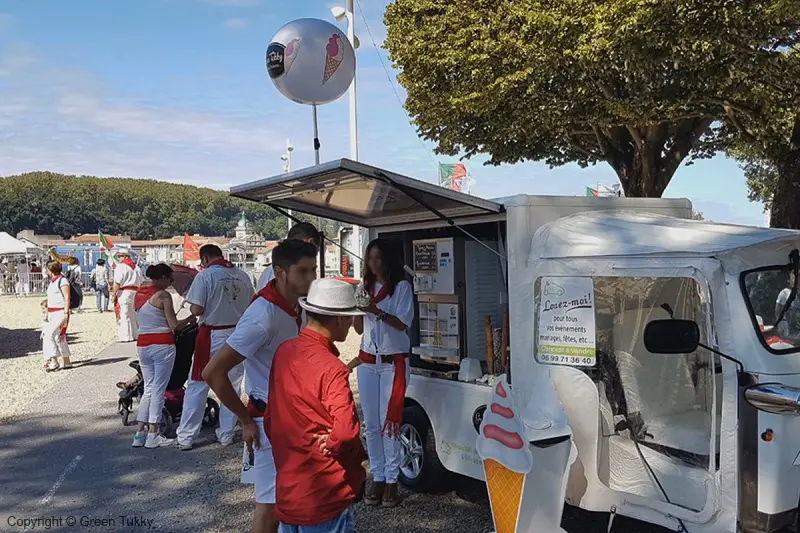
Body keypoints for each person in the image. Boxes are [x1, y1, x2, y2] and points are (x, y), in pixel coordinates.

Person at [203, 239, 318, 533]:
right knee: (269, 507)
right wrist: (245, 420)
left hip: (291, 418)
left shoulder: (296, 306)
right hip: (266, 419)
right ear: (280, 272)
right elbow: (214, 372)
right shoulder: (262, 317)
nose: (310, 278)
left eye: (313, 270)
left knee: (290, 499)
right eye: (303, 271)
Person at [267, 278, 366, 533]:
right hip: (325, 488)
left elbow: (271, 417)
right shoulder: (332, 367)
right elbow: (346, 433)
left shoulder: (284, 352)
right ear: (339, 320)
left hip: (289, 482)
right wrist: (331, 442)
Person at [347, 238, 414, 507]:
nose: (373, 263)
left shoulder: (401, 287)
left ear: (388, 260)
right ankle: (377, 475)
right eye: (369, 258)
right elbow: (359, 330)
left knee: (391, 424)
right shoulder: (365, 288)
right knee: (372, 425)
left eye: (378, 258)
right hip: (367, 361)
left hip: (393, 362)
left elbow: (403, 324)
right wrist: (356, 309)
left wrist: (376, 310)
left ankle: (392, 480)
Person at [175, 244, 255, 450]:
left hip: (213, 333)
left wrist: (190, 306)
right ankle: (226, 433)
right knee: (233, 383)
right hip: (238, 332)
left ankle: (186, 436)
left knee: (199, 384)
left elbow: (198, 308)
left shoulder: (205, 276)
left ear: (205, 258)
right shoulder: (243, 275)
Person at [131, 264, 196, 449]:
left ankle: (140, 433)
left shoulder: (139, 294)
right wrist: (190, 319)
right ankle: (153, 433)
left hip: (143, 344)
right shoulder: (163, 296)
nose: (171, 283)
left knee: (149, 387)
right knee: (159, 389)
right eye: (170, 279)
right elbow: (174, 325)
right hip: (162, 343)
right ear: (163, 277)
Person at [256, 222, 320, 291]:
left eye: (313, 270)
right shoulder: (284, 272)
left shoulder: (267, 272)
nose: (311, 277)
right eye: (302, 271)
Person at [42, 261, 74, 372]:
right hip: (52, 312)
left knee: (49, 335)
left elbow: (67, 297)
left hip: (60, 312)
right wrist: (47, 311)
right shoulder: (52, 282)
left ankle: (53, 360)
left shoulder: (62, 280)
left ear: (51, 270)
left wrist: (66, 313)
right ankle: (66, 360)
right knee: (59, 337)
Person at [112, 249, 143, 342]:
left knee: (124, 313)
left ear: (125, 256)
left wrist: (114, 294)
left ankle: (125, 336)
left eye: (120, 256)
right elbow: (141, 281)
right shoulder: (136, 267)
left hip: (124, 291)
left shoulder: (121, 267)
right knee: (132, 313)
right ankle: (135, 334)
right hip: (135, 291)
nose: (119, 258)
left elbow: (117, 282)